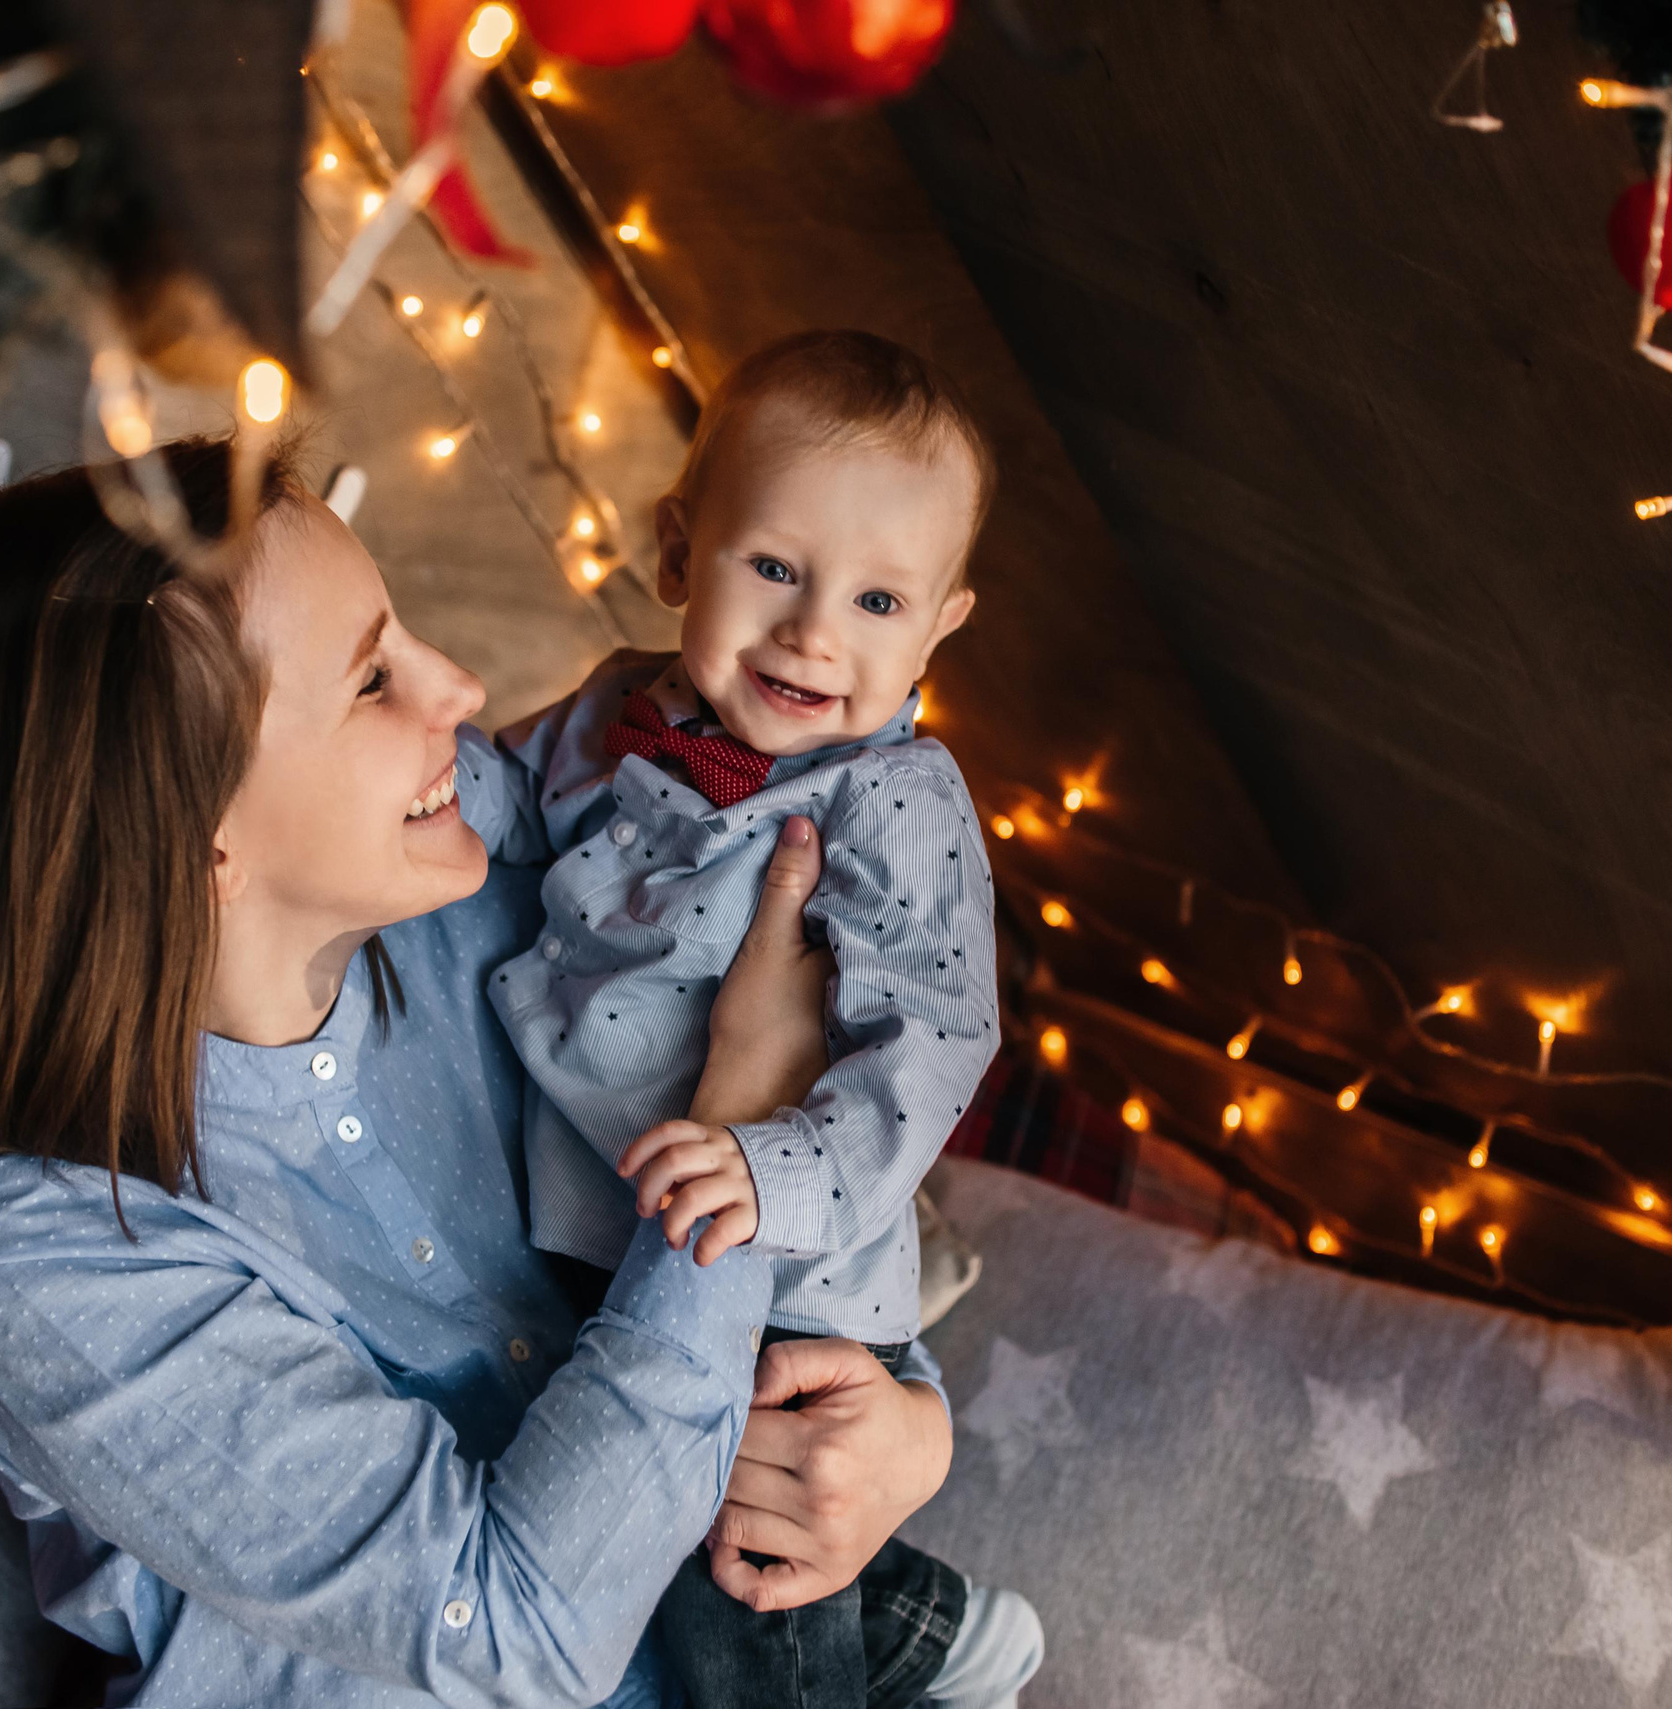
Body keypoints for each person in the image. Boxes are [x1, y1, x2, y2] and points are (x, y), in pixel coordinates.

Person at [0, 438, 964, 1708]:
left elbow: (836, 1156)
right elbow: (520, 1628)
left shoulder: (501, 884)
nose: (462, 687)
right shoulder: (46, 1253)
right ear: (194, 837)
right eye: (372, 679)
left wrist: (908, 1429)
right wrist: (740, 1117)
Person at [461, 331, 1042, 1709]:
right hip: (607, 1241)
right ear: (679, 554)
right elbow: (490, 813)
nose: (813, 632)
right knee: (641, 1533)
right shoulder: (613, 713)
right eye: (775, 568)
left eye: (878, 600)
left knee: (740, 1599)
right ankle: (928, 1637)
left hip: (787, 1277)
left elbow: (934, 1037)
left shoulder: (892, 805)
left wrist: (771, 1170)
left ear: (942, 624)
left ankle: (884, 1657)